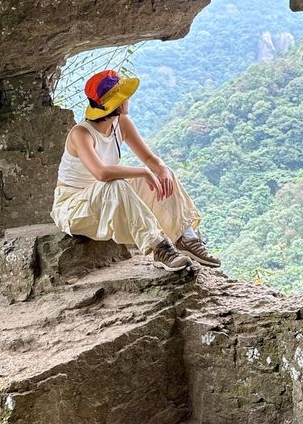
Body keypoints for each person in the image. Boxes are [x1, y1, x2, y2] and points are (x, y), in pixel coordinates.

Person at [50, 69, 222, 272]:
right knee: (117, 184)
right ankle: (159, 247)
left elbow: (149, 158)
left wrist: (161, 169)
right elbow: (102, 173)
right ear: (116, 103)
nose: (128, 99)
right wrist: (142, 171)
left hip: (102, 198)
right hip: (74, 206)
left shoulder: (120, 123)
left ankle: (184, 237)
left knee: (161, 175)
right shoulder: (81, 133)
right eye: (125, 97)